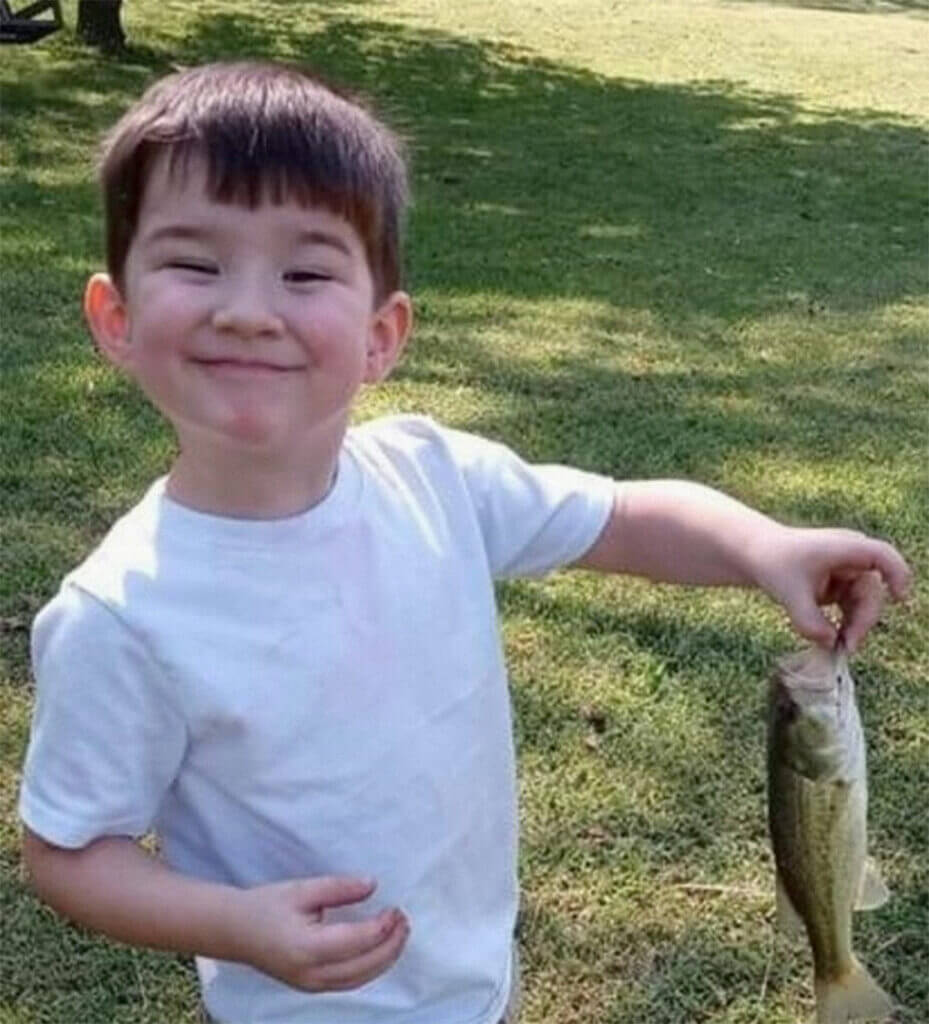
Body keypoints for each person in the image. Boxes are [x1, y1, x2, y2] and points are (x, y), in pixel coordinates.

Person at [18, 61, 911, 1024]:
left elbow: (617, 515)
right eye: (195, 263)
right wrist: (237, 924)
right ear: (116, 317)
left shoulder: (433, 476)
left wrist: (760, 544)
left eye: (305, 271)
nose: (246, 307)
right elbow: (68, 855)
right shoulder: (121, 613)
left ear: (380, 335)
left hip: (473, 977)